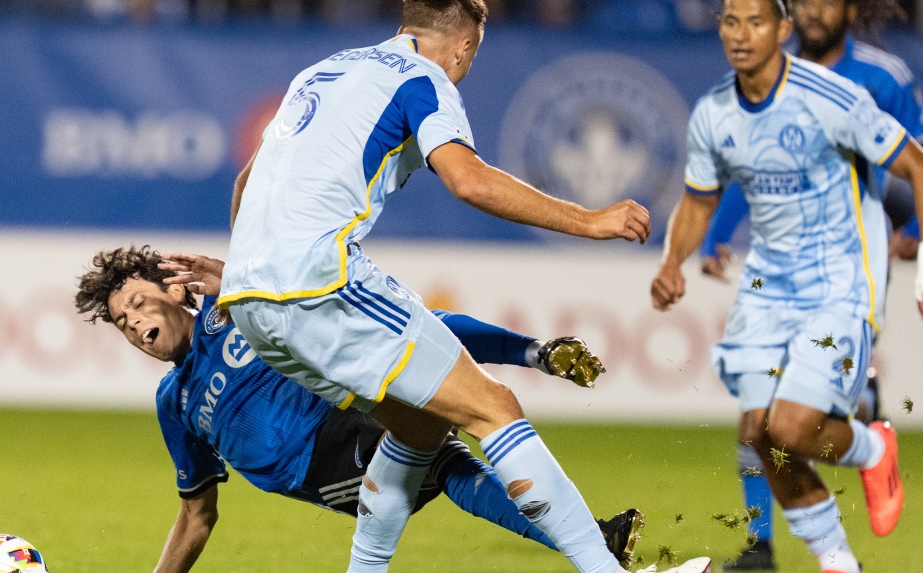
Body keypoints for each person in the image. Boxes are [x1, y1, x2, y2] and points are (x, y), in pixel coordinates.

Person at [212, 1, 710, 572]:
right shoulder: (424, 77)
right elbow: (469, 182)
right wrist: (588, 220)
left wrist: (246, 273)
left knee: (421, 425)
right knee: (494, 407)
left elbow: (249, 178)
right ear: (464, 47)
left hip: (249, 297)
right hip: (318, 282)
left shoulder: (324, 70)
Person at [74, 245, 641, 573]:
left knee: (418, 347)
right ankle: (589, 541)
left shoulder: (236, 306)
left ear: (176, 292)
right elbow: (198, 515)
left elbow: (295, 283)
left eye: (138, 304)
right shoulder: (174, 403)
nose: (135, 326)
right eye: (123, 324)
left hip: (349, 407)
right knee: (437, 451)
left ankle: (537, 353)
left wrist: (243, 282)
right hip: (324, 468)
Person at [651, 0, 923, 572]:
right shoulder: (714, 112)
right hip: (767, 284)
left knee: (791, 428)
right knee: (758, 434)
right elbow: (702, 197)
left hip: (841, 279)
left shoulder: (835, 96)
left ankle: (872, 447)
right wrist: (674, 260)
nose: (741, 34)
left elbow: (917, 164)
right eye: (730, 21)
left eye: (755, 21)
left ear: (782, 30)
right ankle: (836, 563)